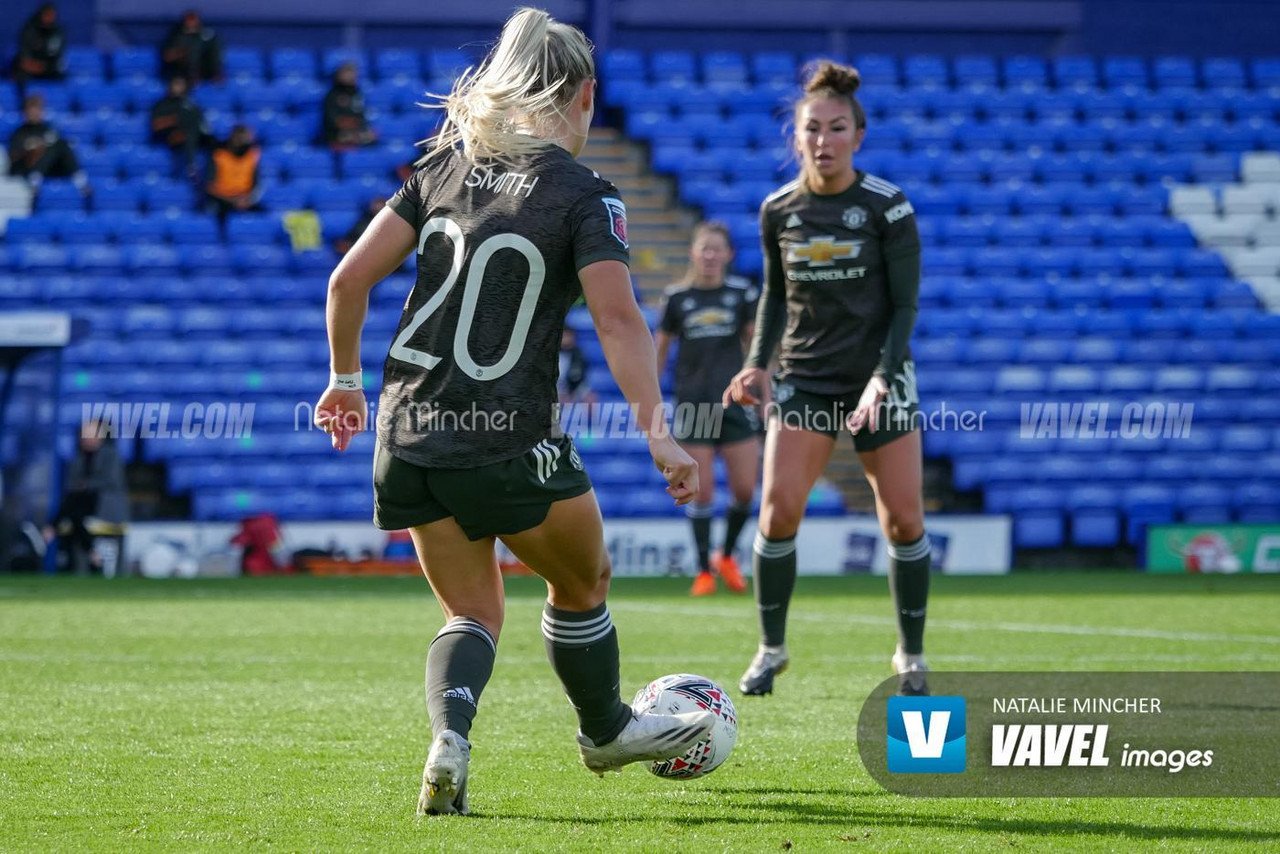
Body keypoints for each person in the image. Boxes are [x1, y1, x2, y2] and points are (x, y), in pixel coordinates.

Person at [312, 8, 714, 817]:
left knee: (472, 610)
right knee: (583, 579)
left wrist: (344, 380)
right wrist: (661, 436)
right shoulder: (585, 194)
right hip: (505, 431)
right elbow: (617, 319)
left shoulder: (439, 169)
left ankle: (449, 742)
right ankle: (604, 729)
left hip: (408, 430)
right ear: (586, 96)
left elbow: (346, 283)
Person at [724, 60, 930, 697]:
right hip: (805, 380)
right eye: (812, 128)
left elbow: (904, 307)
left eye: (837, 128)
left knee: (902, 522)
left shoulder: (887, 208)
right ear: (797, 136)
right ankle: (771, 648)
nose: (823, 139)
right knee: (778, 512)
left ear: (857, 136)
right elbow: (774, 297)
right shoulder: (778, 210)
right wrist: (757, 361)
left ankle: (911, 654)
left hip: (879, 379)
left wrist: (882, 378)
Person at [655, 221, 760, 596]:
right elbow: (660, 349)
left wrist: (766, 389)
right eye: (705, 249)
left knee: (746, 490)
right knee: (703, 494)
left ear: (729, 255)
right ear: (693, 254)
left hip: (735, 404)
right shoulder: (677, 298)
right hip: (694, 405)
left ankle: (727, 556)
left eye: (718, 249)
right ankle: (703, 571)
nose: (711, 256)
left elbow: (756, 348)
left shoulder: (742, 293)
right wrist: (649, 396)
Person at [46, 419, 129, 576]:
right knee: (75, 510)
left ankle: (52, 527)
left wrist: (86, 485)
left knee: (75, 510)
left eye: (91, 433)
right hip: (82, 510)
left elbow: (110, 482)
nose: (86, 438)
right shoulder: (78, 458)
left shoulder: (111, 456)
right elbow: (72, 487)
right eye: (84, 434)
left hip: (104, 509)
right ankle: (89, 553)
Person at [7, 94, 89, 196]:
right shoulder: (19, 133)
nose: (34, 113)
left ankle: (78, 178)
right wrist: (31, 149)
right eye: (31, 110)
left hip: (50, 169)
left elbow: (57, 149)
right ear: (25, 112)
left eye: (37, 109)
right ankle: (35, 176)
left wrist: (42, 146)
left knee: (60, 143)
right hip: (27, 168)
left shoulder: (48, 129)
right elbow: (13, 156)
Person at [150, 75, 212, 180]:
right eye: (176, 84)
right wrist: (175, 120)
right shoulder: (162, 105)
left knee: (213, 143)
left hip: (193, 136)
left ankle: (207, 175)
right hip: (171, 137)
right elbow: (156, 126)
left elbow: (201, 121)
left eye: (181, 84)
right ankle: (191, 164)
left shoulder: (190, 104)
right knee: (189, 129)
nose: (178, 87)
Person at [205, 124, 262, 223]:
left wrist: (247, 199)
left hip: (245, 199)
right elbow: (209, 186)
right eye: (240, 139)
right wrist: (232, 200)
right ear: (233, 138)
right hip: (223, 200)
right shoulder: (218, 154)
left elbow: (257, 183)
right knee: (214, 213)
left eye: (246, 140)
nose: (243, 143)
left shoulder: (252, 155)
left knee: (262, 215)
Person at [322, 62, 377, 150]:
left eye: (353, 73)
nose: (352, 76)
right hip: (336, 134)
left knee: (372, 138)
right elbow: (331, 119)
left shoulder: (357, 93)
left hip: (355, 132)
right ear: (339, 75)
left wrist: (363, 130)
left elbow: (360, 115)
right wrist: (350, 127)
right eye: (347, 73)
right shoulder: (332, 95)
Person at [160, 10, 224, 85]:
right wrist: (180, 53)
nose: (191, 23)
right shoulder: (175, 36)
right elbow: (167, 56)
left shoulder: (208, 37)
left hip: (204, 71)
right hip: (180, 73)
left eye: (193, 20)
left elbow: (215, 56)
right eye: (189, 20)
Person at [12, 3, 65, 89]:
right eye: (47, 15)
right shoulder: (29, 30)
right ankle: (24, 100)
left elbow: (57, 56)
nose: (50, 18)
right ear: (41, 15)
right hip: (30, 66)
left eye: (52, 15)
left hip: (47, 67)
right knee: (19, 72)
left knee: (61, 76)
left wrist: (44, 66)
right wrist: (33, 66)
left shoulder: (57, 32)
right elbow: (25, 57)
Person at [557, 327, 594, 405]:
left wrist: (571, 393)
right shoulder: (553, 355)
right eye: (564, 336)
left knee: (590, 398)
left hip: (575, 386)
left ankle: (590, 417)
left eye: (569, 336)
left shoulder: (578, 354)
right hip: (558, 387)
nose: (566, 340)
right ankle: (555, 417)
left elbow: (581, 375)